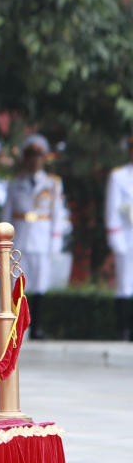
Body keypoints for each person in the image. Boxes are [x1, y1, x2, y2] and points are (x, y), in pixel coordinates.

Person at [2, 134, 69, 339]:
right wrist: (4, 242)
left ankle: (36, 327)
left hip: (42, 238)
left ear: (44, 158)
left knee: (40, 284)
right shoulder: (15, 182)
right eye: (30, 156)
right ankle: (15, 328)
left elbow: (57, 214)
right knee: (17, 284)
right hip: (20, 237)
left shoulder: (53, 183)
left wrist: (55, 241)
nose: (34, 160)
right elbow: (6, 212)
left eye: (38, 156)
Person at [105, 133, 133, 340]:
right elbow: (112, 208)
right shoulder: (119, 176)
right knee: (125, 284)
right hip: (127, 234)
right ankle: (124, 330)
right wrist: (115, 237)